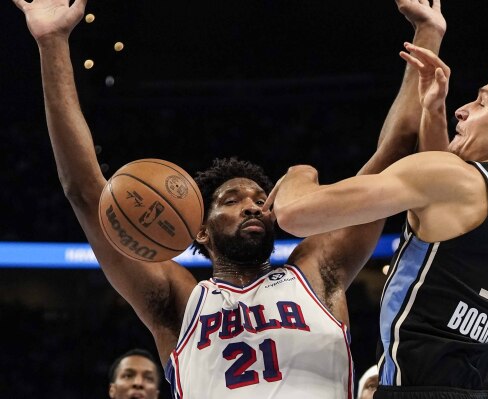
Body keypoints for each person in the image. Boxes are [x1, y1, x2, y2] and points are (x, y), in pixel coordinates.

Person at [14, 0, 446, 397]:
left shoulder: (318, 272)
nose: (253, 205)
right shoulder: (178, 302)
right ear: (200, 229)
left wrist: (426, 31)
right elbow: (86, 192)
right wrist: (52, 43)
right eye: (232, 200)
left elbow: (396, 151)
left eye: (260, 198)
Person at [269, 44, 488, 398]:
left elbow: (294, 215)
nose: (462, 110)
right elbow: (446, 208)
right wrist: (433, 110)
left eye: (481, 103)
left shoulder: (455, 181)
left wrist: (300, 173)